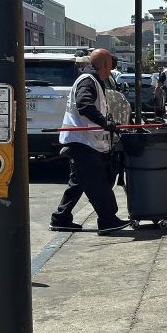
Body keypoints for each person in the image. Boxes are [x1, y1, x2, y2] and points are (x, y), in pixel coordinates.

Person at [50, 48, 131, 236]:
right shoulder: (88, 81)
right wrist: (105, 123)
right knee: (97, 182)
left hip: (83, 140)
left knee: (78, 181)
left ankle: (61, 218)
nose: (111, 69)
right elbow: (84, 105)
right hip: (83, 141)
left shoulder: (93, 80)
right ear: (105, 64)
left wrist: (108, 122)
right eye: (110, 65)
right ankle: (107, 219)